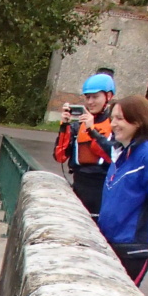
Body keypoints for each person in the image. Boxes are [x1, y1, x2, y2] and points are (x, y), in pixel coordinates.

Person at [97, 95, 148, 285]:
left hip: (131, 249)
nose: (113, 124)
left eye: (120, 118)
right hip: (109, 242)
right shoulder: (122, 154)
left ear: (137, 121)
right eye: (113, 117)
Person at [53, 73, 116, 221]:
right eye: (87, 97)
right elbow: (60, 156)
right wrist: (64, 126)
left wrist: (91, 130)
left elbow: (111, 156)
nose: (90, 102)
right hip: (80, 185)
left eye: (95, 97)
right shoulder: (77, 126)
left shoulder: (114, 124)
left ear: (108, 97)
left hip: (102, 187)